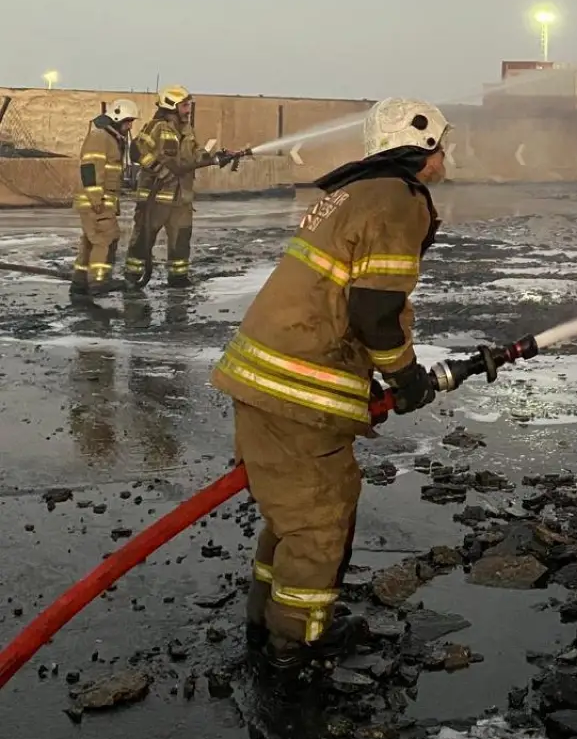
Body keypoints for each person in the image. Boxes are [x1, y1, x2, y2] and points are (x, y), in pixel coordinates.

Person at [210, 98, 448, 671]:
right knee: (319, 520)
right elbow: (373, 309)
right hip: (296, 389)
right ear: (422, 148)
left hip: (267, 376)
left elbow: (335, 304)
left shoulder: (350, 194)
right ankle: (295, 650)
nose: (447, 159)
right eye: (442, 146)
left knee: (289, 516)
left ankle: (264, 623)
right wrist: (404, 375)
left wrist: (364, 380)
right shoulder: (396, 199)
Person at [123, 85, 223, 290]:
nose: (188, 110)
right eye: (185, 106)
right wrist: (159, 169)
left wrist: (215, 158)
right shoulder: (156, 127)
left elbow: (197, 154)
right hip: (156, 196)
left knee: (181, 239)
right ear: (172, 106)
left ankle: (178, 278)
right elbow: (137, 151)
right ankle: (132, 276)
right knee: (144, 237)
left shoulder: (187, 130)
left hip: (181, 198)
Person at [70, 99, 138, 298]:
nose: (130, 126)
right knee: (106, 238)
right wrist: (96, 198)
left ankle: (80, 282)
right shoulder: (100, 137)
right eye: (128, 121)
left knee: (91, 242)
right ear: (117, 118)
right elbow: (89, 167)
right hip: (96, 201)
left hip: (99, 200)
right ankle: (99, 280)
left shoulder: (110, 138)